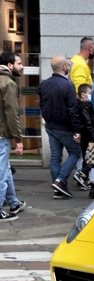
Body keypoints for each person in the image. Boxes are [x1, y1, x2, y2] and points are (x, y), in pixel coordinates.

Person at [39, 55, 83, 199]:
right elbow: (72, 109)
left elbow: (42, 105)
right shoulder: (68, 85)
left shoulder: (44, 84)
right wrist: (77, 130)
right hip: (65, 127)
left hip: (51, 126)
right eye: (68, 65)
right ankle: (61, 181)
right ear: (64, 67)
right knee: (75, 152)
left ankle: (58, 188)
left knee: (55, 157)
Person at [0, 51, 24, 221]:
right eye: (19, 63)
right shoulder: (8, 83)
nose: (22, 66)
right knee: (1, 173)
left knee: (6, 169)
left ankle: (13, 202)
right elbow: (12, 113)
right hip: (2, 134)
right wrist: (18, 138)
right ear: (9, 65)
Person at [74, 84, 94, 192]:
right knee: (91, 158)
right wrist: (93, 135)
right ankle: (82, 175)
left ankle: (82, 178)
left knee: (86, 157)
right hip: (87, 135)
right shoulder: (86, 106)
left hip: (83, 134)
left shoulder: (77, 105)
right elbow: (88, 122)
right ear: (83, 94)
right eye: (90, 93)